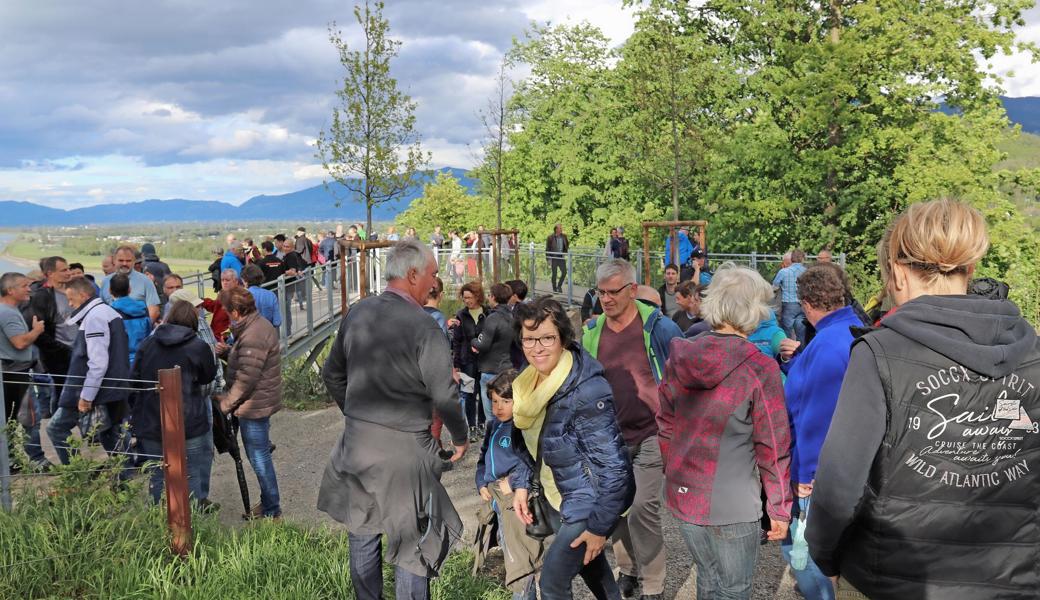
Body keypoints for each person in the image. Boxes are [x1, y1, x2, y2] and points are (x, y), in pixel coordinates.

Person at [807, 199, 1040, 599]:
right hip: (1012, 581)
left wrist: (823, 554)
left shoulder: (879, 352)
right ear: (969, 269)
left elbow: (839, 486)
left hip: (894, 579)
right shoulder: (1033, 351)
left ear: (897, 271)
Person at [318, 239, 469, 600]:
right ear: (413, 274)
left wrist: (357, 414)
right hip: (405, 450)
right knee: (413, 546)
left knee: (363, 528)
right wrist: (461, 437)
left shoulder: (358, 313)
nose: (434, 283)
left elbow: (331, 373)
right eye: (432, 274)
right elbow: (444, 393)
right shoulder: (423, 326)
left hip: (357, 444)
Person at [657, 266, 793, 600]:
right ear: (754, 310)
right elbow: (773, 447)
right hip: (734, 503)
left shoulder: (680, 355)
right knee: (735, 589)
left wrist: (674, 473)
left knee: (709, 578)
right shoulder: (759, 368)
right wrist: (779, 508)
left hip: (686, 495)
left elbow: (665, 424)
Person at [510, 296, 634, 600]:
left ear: (563, 338)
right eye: (529, 339)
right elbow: (527, 443)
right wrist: (521, 484)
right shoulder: (527, 384)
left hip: (590, 501)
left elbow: (616, 470)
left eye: (547, 338)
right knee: (595, 571)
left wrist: (599, 526)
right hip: (559, 495)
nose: (537, 347)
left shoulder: (588, 390)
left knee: (552, 582)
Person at [581, 259, 682, 600]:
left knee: (643, 508)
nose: (606, 299)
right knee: (616, 509)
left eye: (613, 292)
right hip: (610, 436)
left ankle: (654, 585)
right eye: (601, 292)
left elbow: (685, 372)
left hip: (653, 432)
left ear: (632, 290)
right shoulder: (592, 333)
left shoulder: (659, 328)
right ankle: (629, 569)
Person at [771, 264, 862, 600]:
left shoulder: (826, 345)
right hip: (844, 463)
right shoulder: (852, 328)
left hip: (817, 470)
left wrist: (805, 476)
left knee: (801, 550)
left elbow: (817, 417)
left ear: (806, 303)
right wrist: (799, 360)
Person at [130, 300, 217, 504]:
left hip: (151, 420)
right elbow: (208, 377)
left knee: (158, 473)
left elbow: (134, 379)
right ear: (194, 321)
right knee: (193, 471)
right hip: (190, 420)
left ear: (169, 318)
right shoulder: (198, 346)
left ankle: (159, 520)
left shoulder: (148, 343)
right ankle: (196, 518)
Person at [47, 276, 131, 465]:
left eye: (71, 299)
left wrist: (86, 396)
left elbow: (97, 362)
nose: (69, 304)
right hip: (113, 386)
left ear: (84, 295)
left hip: (89, 389)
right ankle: (124, 478)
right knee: (111, 433)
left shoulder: (94, 317)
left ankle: (75, 473)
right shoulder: (108, 313)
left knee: (56, 428)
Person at [215, 287, 283, 519]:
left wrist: (226, 404)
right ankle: (268, 504)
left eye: (226, 310)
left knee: (260, 459)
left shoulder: (253, 333)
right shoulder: (256, 326)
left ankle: (272, 510)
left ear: (235, 312)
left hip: (254, 406)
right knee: (260, 456)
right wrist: (229, 353)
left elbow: (246, 378)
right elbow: (249, 363)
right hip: (258, 401)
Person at [476, 369, 543, 600]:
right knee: (509, 548)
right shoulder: (493, 425)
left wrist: (514, 482)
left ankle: (524, 595)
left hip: (517, 502)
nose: (499, 407)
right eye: (495, 401)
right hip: (498, 502)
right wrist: (481, 481)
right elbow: (483, 457)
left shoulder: (522, 427)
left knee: (522, 559)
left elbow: (531, 461)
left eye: (506, 401)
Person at [0, 272, 45, 462]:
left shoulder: (7, 309)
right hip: (16, 373)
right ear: (10, 290)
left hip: (10, 371)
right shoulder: (8, 312)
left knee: (8, 419)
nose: (29, 289)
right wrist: (36, 331)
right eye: (24, 286)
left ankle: (9, 460)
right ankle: (37, 460)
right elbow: (19, 343)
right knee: (31, 419)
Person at [24, 257, 75, 400]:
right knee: (62, 394)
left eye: (68, 269)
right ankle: (57, 421)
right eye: (63, 270)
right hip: (59, 355)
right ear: (50, 273)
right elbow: (39, 332)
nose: (68, 272)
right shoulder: (42, 296)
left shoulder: (74, 290)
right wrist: (62, 349)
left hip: (79, 351)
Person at [472, 282, 516, 423]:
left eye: (490, 295)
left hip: (490, 370)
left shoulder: (493, 318)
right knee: (507, 414)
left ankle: (491, 443)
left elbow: (483, 345)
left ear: (494, 297)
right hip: (507, 370)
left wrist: (473, 341)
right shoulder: (512, 316)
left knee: (492, 414)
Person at [453, 281, 488, 439]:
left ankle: (482, 423)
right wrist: (457, 363)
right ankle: (472, 426)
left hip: (484, 360)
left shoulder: (488, 313)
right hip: (467, 361)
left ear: (477, 296)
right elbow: (457, 340)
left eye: (469, 297)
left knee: (484, 392)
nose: (467, 300)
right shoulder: (461, 315)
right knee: (469, 393)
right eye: (464, 297)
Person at [101, 246, 161, 322]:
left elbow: (154, 310)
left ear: (134, 261)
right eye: (121, 260)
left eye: (128, 261)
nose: (125, 263)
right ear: (114, 261)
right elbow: (101, 308)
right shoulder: (106, 282)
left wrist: (144, 328)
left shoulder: (146, 281)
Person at [108, 273, 151, 366]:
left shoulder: (109, 312)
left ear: (110, 290)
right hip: (142, 359)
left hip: (120, 361)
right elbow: (148, 333)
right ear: (129, 289)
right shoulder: (143, 308)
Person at [772, 249, 807, 342]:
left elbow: (774, 287)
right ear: (803, 259)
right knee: (801, 333)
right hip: (803, 304)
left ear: (792, 259)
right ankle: (801, 353)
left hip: (788, 305)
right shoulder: (807, 272)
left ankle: (787, 354)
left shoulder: (784, 272)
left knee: (786, 332)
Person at [241, 264, 281, 330]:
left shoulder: (242, 297)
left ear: (245, 280)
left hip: (250, 335)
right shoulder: (271, 295)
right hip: (268, 334)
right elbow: (277, 322)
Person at [545, 224, 569, 294]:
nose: (561, 229)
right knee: (554, 274)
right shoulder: (550, 237)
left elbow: (567, 244)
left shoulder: (564, 236)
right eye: (560, 228)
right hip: (554, 257)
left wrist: (565, 251)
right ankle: (554, 288)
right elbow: (547, 248)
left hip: (561, 257)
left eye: (561, 228)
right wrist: (548, 259)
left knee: (564, 272)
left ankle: (559, 286)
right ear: (556, 229)